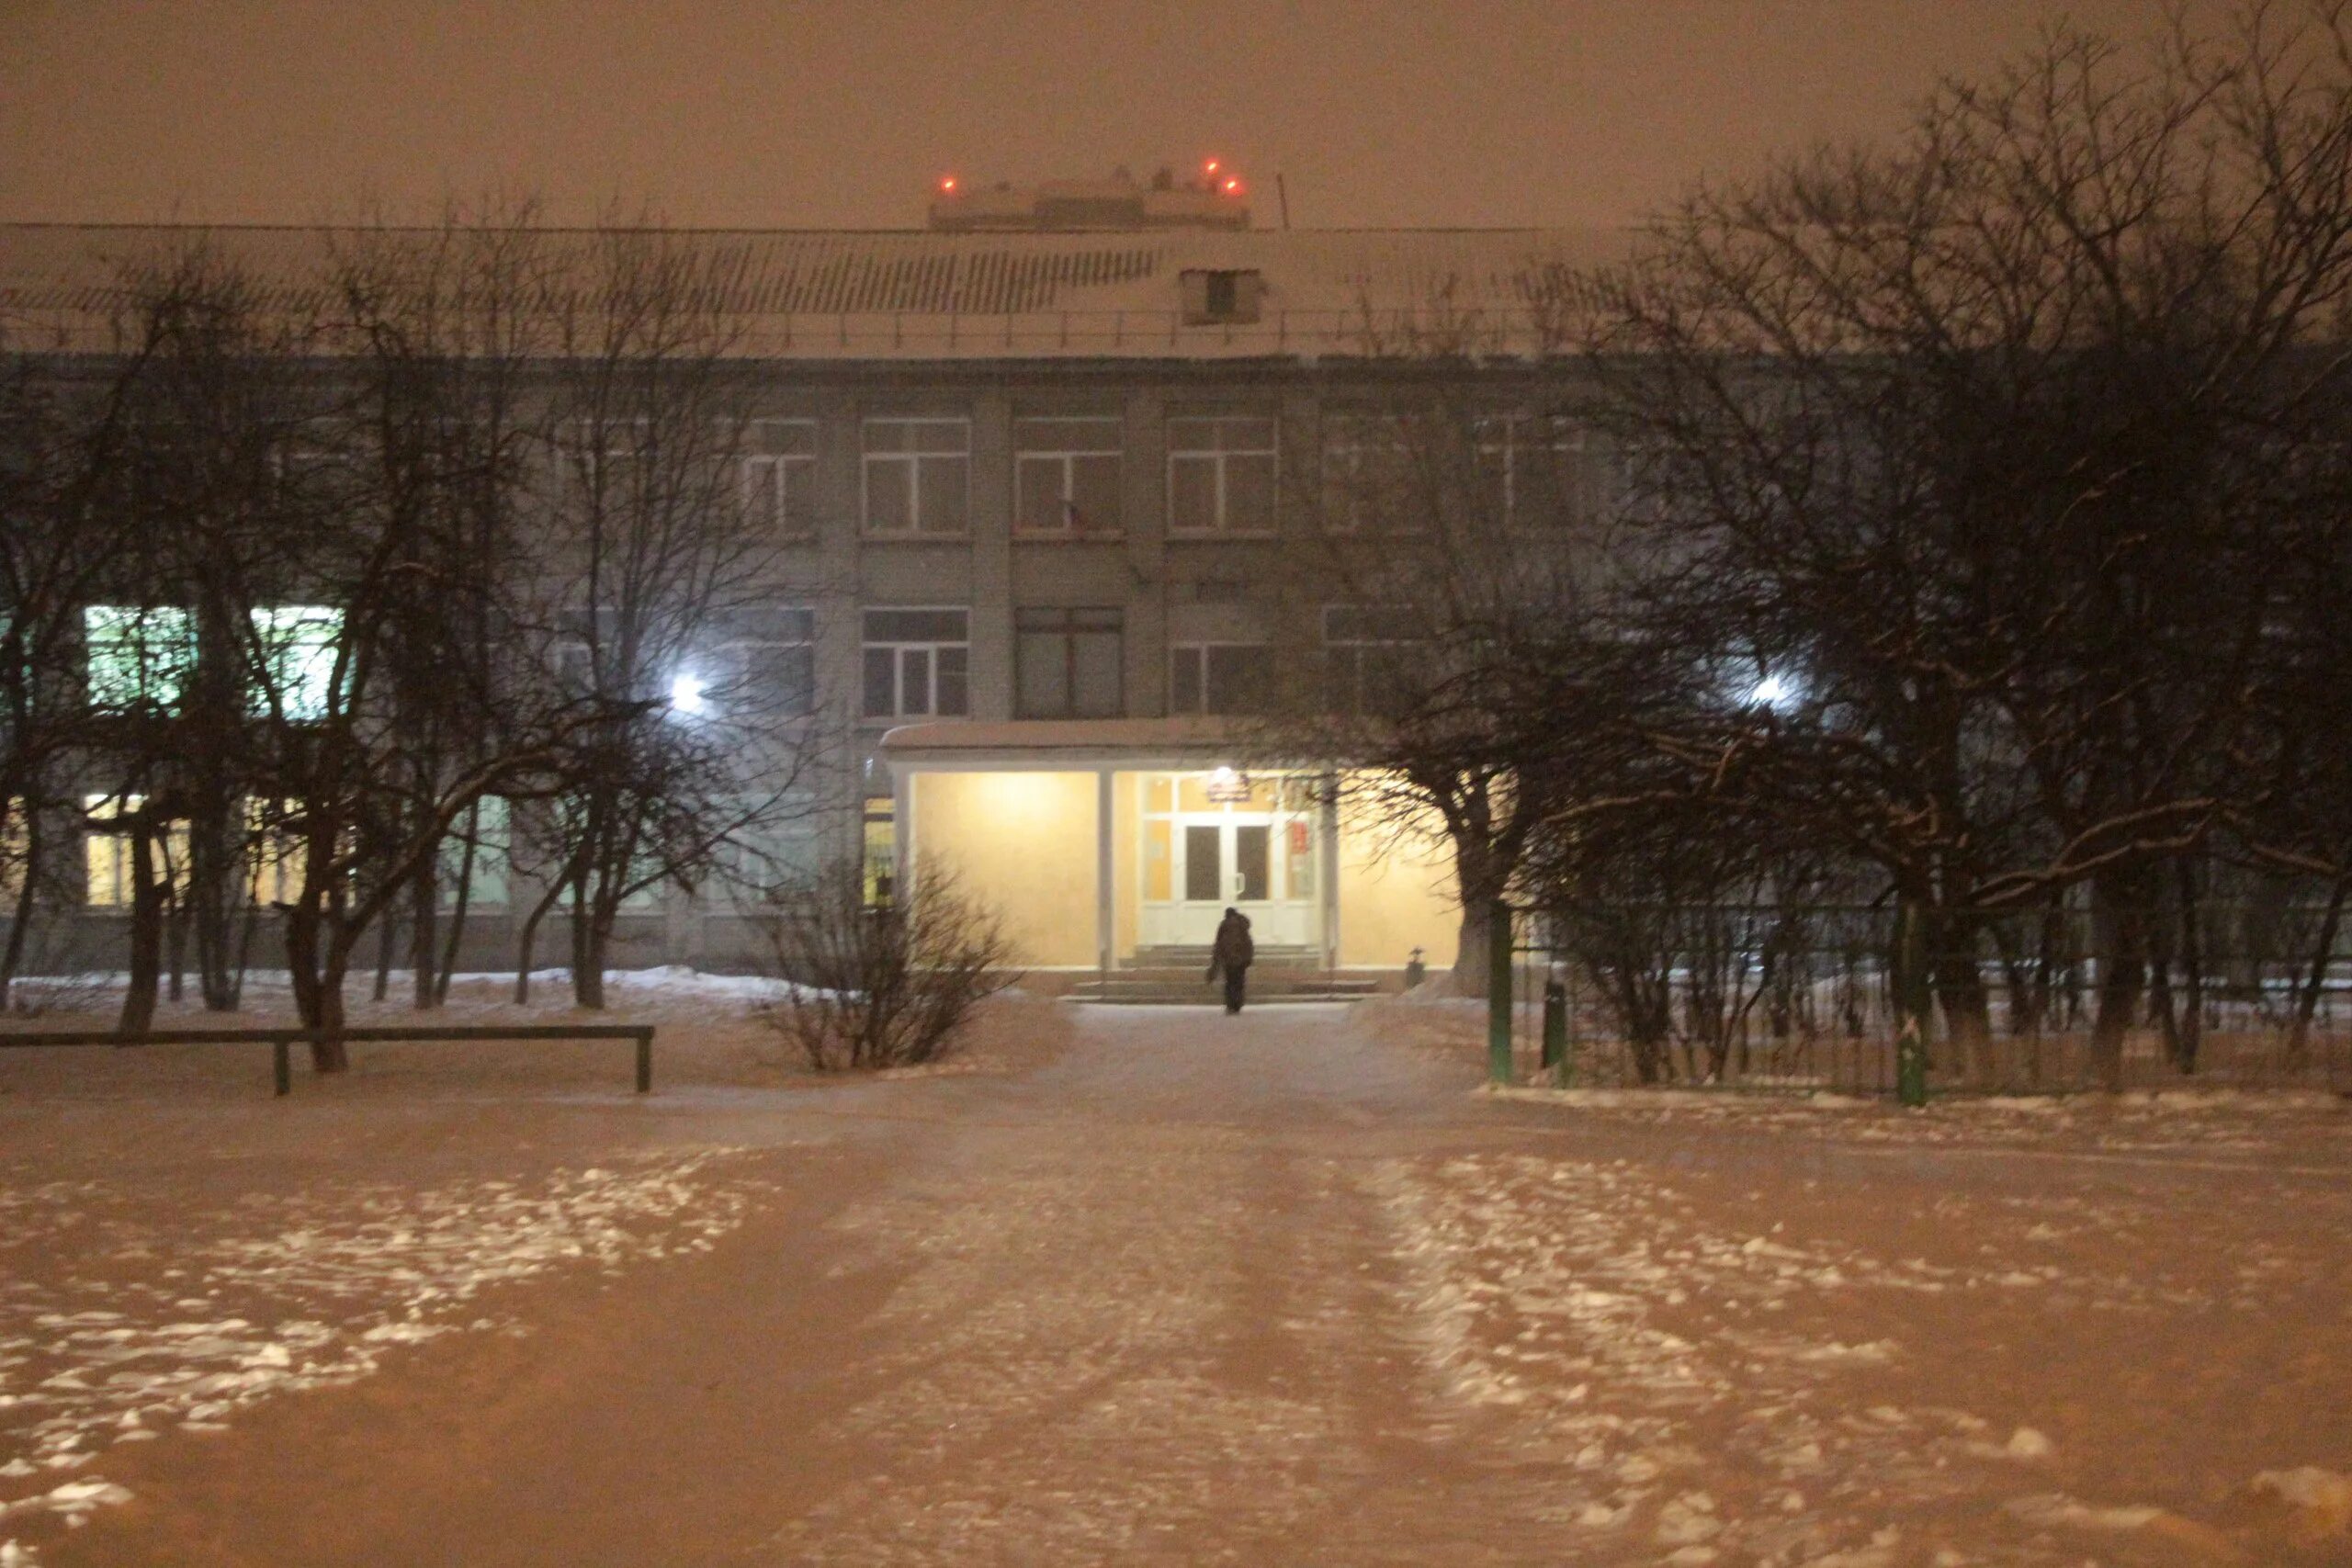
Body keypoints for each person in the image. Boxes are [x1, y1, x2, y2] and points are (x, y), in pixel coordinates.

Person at [1207, 906, 1254, 1014]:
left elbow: (1218, 943)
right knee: (1239, 982)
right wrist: (1248, 958)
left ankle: (1230, 1005)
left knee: (1230, 982)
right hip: (1241, 960)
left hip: (1228, 959)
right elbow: (1248, 943)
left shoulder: (1224, 925)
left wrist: (1216, 961)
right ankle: (1237, 1004)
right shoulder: (1243, 925)